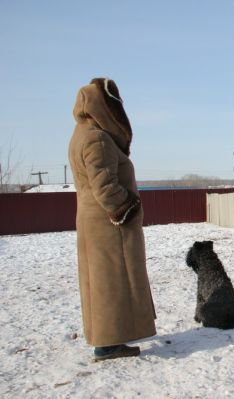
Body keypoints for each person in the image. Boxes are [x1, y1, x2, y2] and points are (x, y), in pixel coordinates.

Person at [68, 78, 156, 361]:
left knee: (101, 283)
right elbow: (104, 184)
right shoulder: (97, 137)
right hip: (109, 224)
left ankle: (109, 338)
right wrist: (125, 207)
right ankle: (108, 343)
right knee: (112, 283)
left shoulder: (81, 133)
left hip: (94, 221)